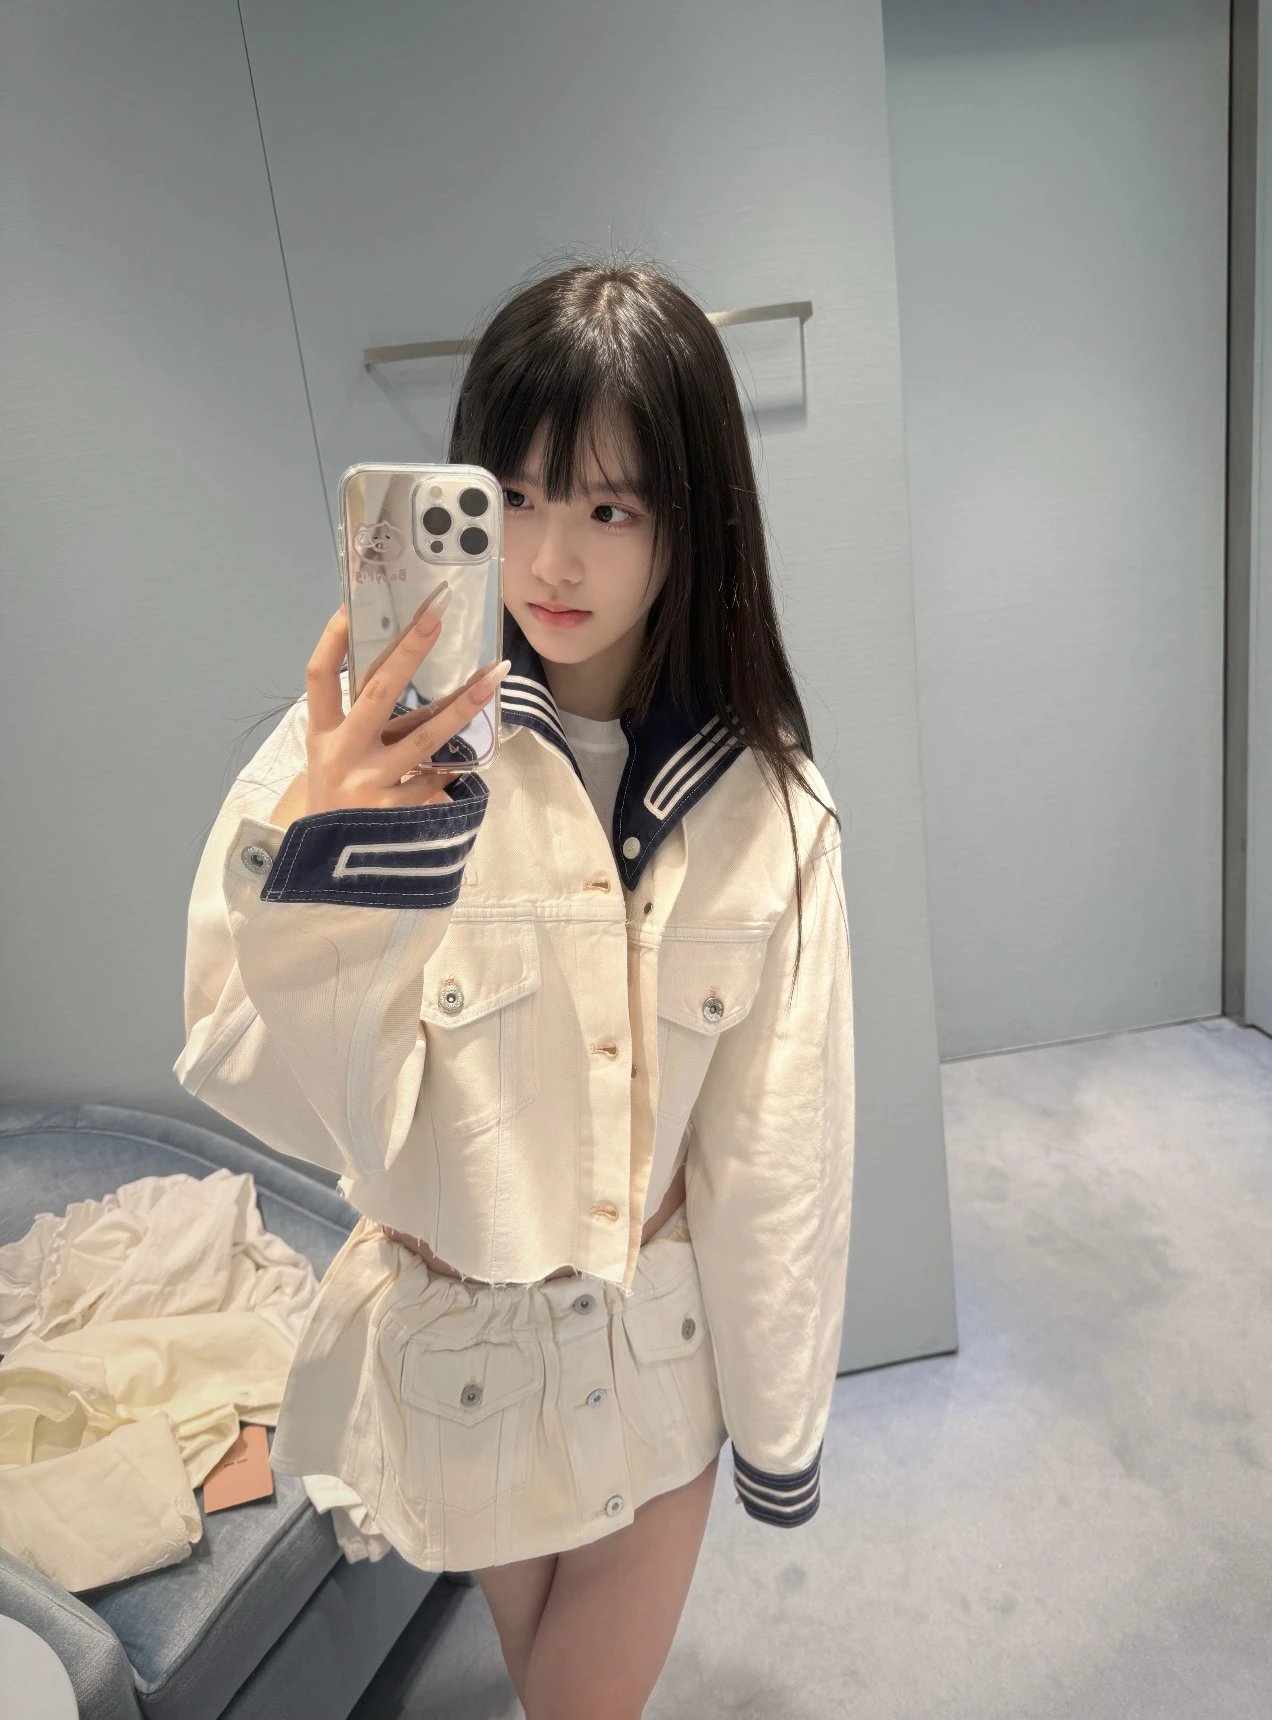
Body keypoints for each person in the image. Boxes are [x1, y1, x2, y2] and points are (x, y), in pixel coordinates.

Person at [173, 257, 855, 1720]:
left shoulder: (767, 811)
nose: (551, 558)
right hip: (456, 1356)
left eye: (610, 508)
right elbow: (272, 1085)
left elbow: (778, 1149)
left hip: (652, 1339)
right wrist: (332, 857)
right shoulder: (355, 767)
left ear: (692, 521)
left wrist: (781, 1425)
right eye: (518, 496)